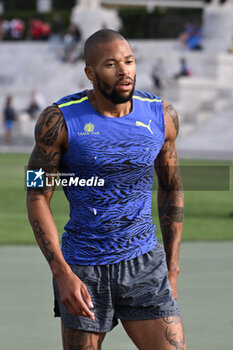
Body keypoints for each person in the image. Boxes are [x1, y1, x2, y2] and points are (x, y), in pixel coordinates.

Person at [27, 29, 186, 350]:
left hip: (144, 264)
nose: (124, 70)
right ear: (90, 72)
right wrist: (61, 273)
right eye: (111, 64)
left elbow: (172, 188)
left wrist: (172, 264)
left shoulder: (162, 116)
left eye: (129, 61)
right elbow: (36, 194)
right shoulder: (57, 120)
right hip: (83, 269)